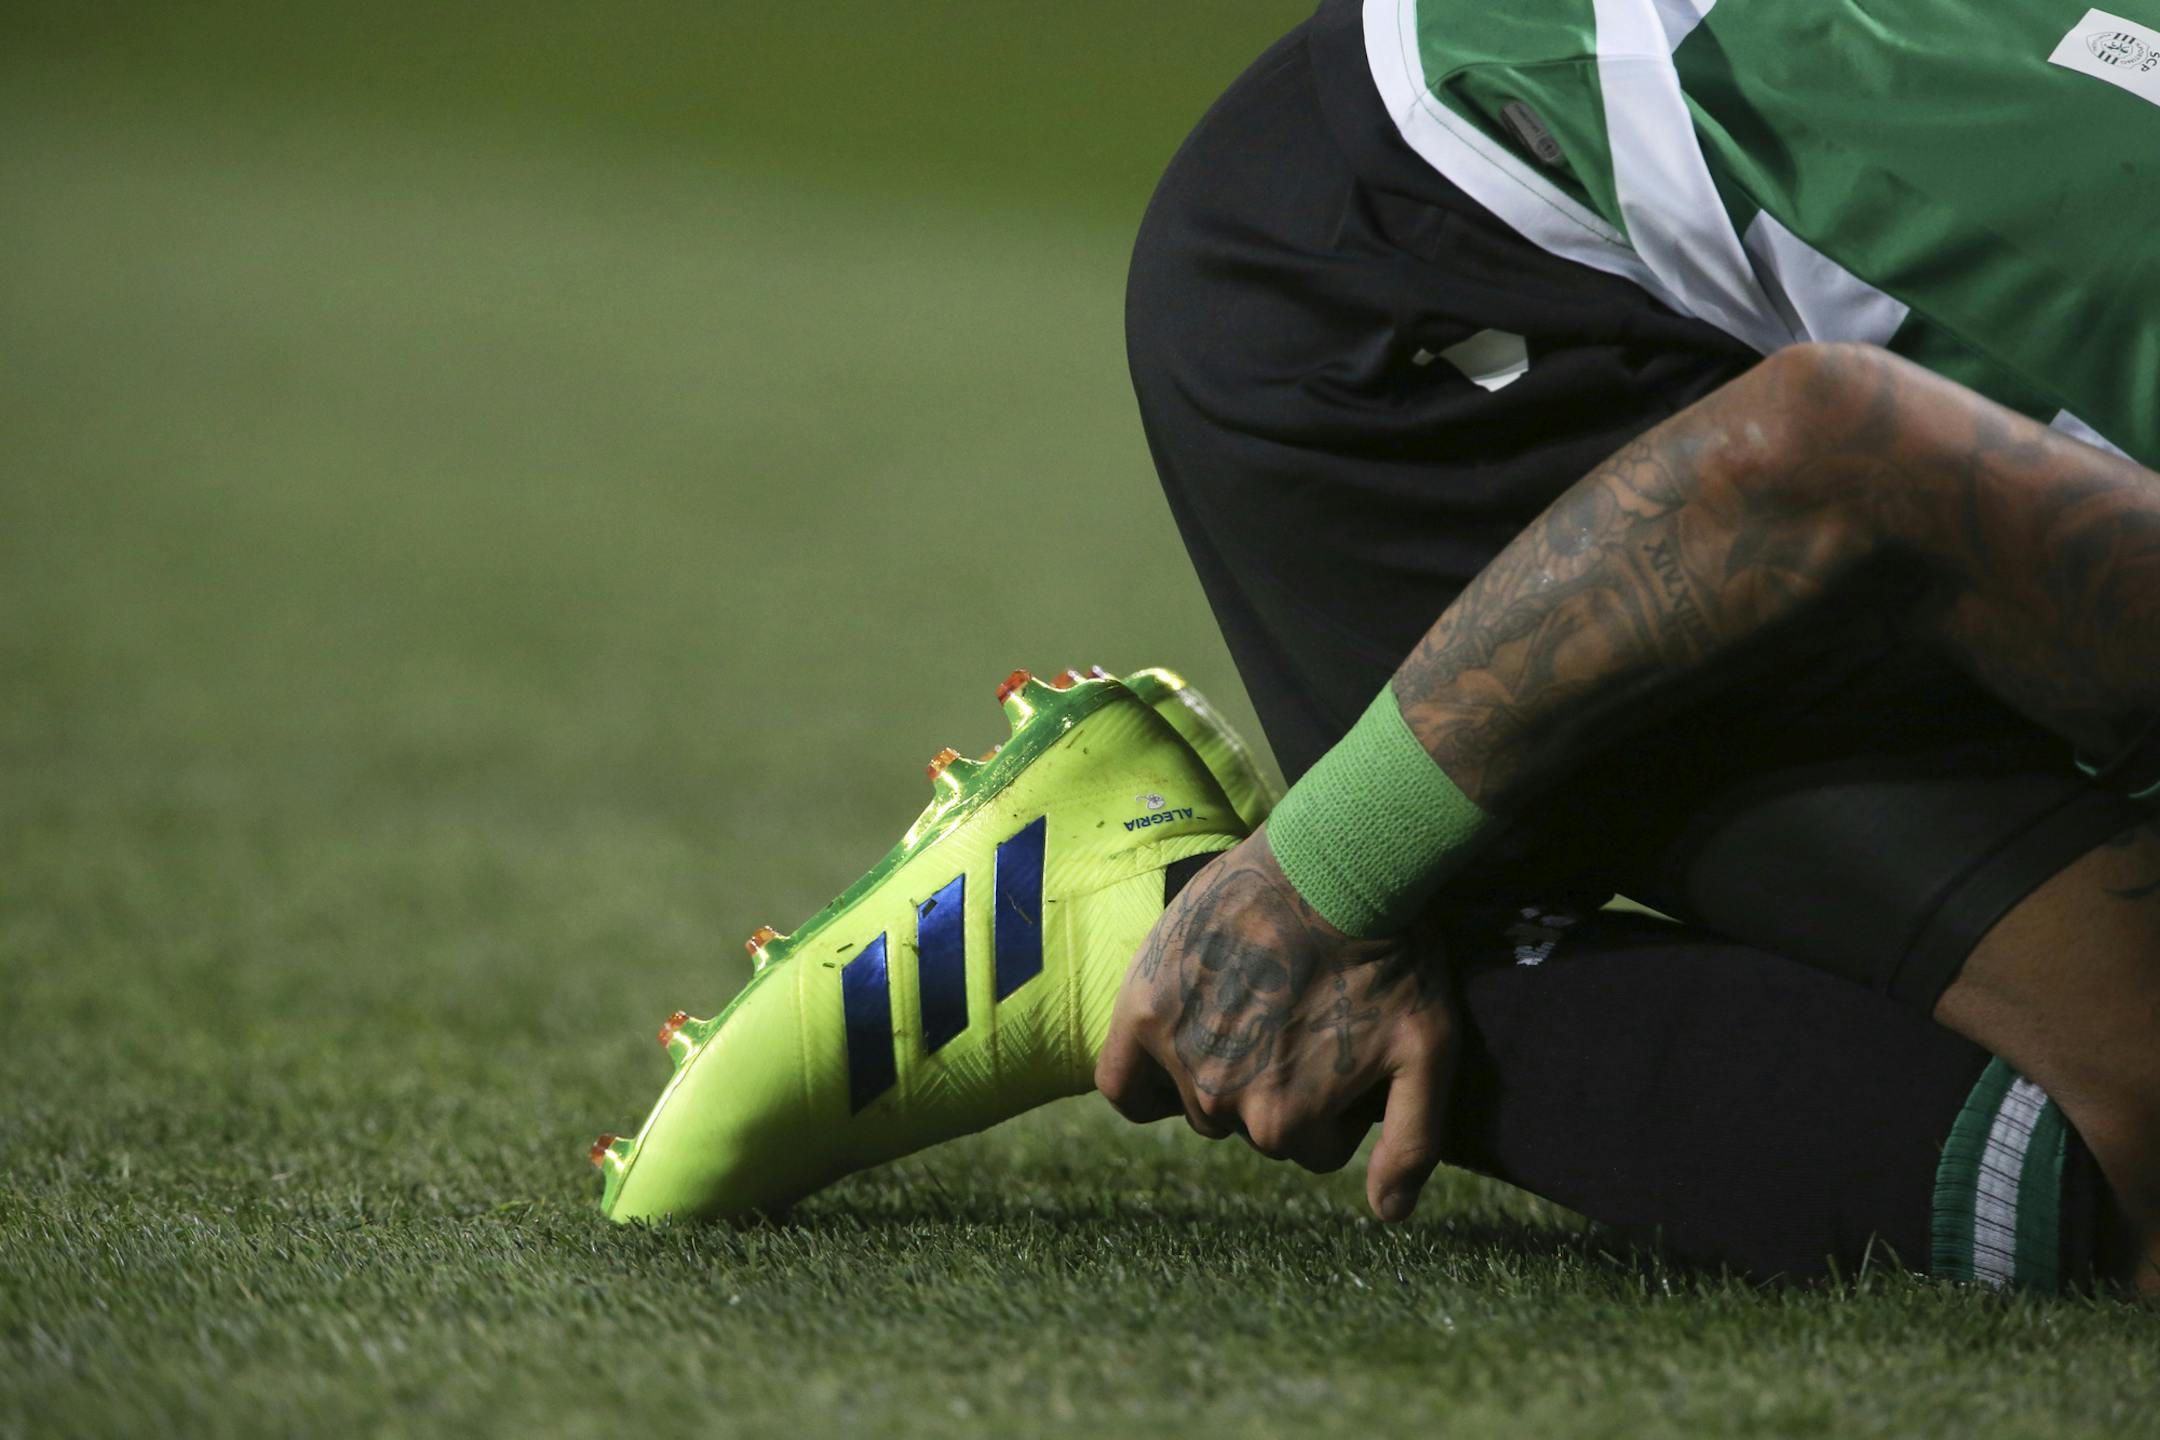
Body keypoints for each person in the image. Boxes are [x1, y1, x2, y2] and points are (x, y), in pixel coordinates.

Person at [1101, 0, 2160, 1290]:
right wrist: (1329, 870)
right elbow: (1810, 458)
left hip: (1561, 161)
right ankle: (1148, 924)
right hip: (1406, 285)